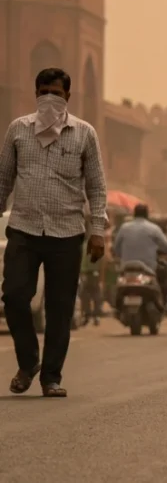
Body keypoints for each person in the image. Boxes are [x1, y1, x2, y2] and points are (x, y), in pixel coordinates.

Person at [0, 68, 107, 398]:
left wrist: (98, 231)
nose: (50, 98)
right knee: (14, 296)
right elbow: (3, 181)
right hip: (24, 228)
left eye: (57, 94)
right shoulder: (18, 129)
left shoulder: (84, 134)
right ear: (36, 94)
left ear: (68, 97)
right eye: (44, 92)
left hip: (67, 232)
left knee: (60, 308)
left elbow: (96, 187)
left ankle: (51, 377)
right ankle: (28, 360)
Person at [113, 203, 167, 307]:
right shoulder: (154, 229)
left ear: (134, 214)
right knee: (163, 276)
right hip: (148, 269)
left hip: (126, 268)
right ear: (147, 215)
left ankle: (117, 306)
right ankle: (163, 304)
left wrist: (121, 255)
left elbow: (116, 248)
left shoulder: (124, 228)